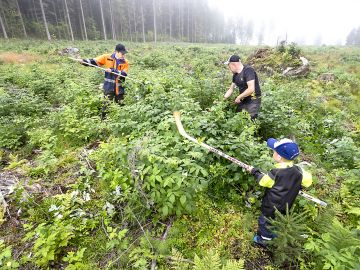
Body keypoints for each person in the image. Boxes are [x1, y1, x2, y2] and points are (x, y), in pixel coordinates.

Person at [249, 138, 312, 247]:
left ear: (279, 157)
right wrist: (296, 185)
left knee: (264, 222)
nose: (273, 152)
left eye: (274, 151)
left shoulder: (275, 172)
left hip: (270, 206)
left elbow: (263, 182)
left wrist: (255, 172)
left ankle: (263, 240)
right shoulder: (299, 171)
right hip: (286, 206)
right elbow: (308, 182)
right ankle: (274, 234)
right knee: (277, 220)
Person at [75, 43, 129, 119]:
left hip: (119, 89)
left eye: (124, 53)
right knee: (106, 106)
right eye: (122, 53)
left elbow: (124, 74)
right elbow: (95, 61)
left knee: (121, 106)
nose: (123, 55)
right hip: (108, 87)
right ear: (116, 51)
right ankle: (103, 123)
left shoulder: (125, 62)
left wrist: (113, 71)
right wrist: (83, 61)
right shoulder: (107, 57)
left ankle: (121, 121)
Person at [224, 55, 261, 120]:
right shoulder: (235, 75)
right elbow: (231, 89)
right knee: (238, 119)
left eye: (229, 65)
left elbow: (251, 89)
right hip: (243, 99)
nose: (229, 68)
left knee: (250, 120)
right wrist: (223, 99)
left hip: (253, 99)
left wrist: (239, 97)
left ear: (233, 64)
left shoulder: (248, 70)